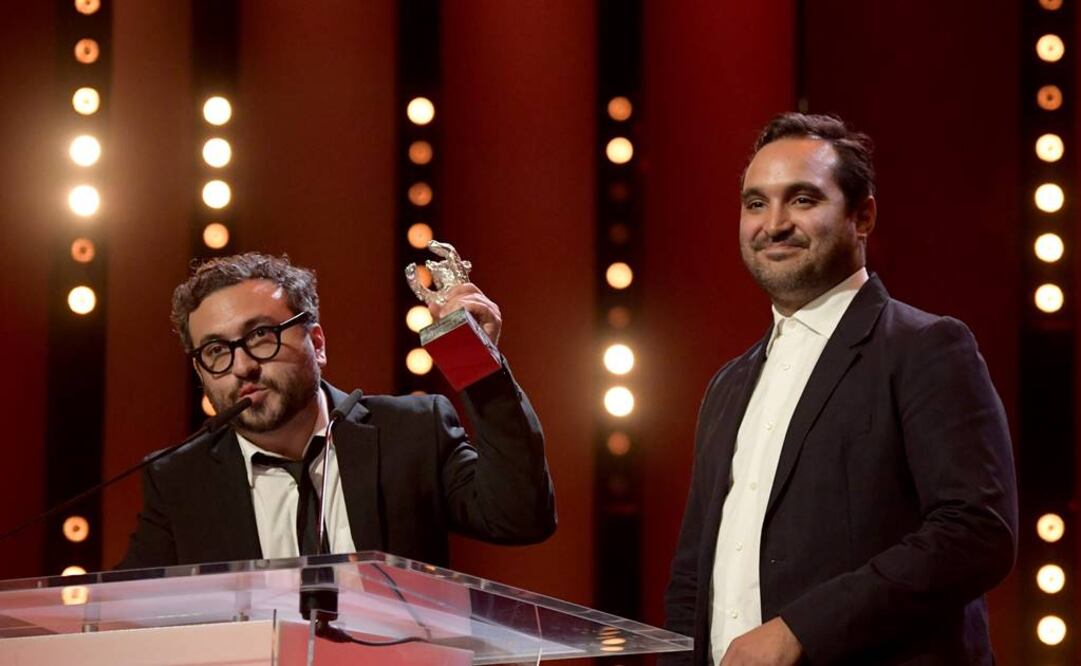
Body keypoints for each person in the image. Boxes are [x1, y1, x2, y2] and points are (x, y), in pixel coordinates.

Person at [663, 113, 1017, 665]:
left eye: (802, 200)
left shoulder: (925, 347)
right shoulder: (728, 385)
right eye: (755, 204)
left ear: (863, 216)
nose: (774, 224)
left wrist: (799, 631)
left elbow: (976, 534)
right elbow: (692, 577)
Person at [118, 252, 556, 569]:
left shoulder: (411, 432)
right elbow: (122, 613)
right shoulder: (181, 479)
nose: (243, 366)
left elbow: (519, 517)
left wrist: (477, 363)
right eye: (216, 350)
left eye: (261, 336)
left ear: (318, 343)